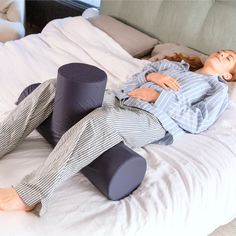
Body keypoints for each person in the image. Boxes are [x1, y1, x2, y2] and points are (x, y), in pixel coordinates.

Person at [0, 50, 235, 216]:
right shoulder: (174, 65)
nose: (223, 54)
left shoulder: (216, 90)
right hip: (118, 98)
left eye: (229, 58)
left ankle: (29, 195)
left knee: (99, 122)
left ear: (228, 75)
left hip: (151, 119)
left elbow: (199, 121)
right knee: (56, 86)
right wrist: (152, 77)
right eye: (223, 51)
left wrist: (158, 96)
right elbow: (133, 80)